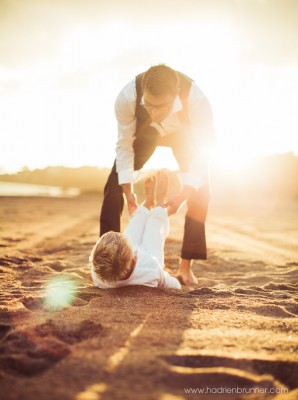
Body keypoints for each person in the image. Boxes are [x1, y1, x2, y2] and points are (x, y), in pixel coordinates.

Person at [100, 64, 215, 286]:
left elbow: (205, 150)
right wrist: (127, 189)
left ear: (175, 96)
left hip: (183, 135)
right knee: (112, 187)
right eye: (148, 105)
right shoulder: (126, 98)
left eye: (160, 106)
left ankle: (185, 268)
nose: (153, 112)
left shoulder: (197, 101)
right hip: (146, 133)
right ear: (142, 93)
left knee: (202, 192)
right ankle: (108, 258)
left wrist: (183, 194)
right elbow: (124, 145)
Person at [91, 170, 181, 289]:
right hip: (151, 254)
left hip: (125, 260)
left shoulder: (99, 276)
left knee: (136, 222)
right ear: (134, 259)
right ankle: (160, 202)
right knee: (154, 224)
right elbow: (175, 285)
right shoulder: (151, 268)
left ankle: (148, 203)